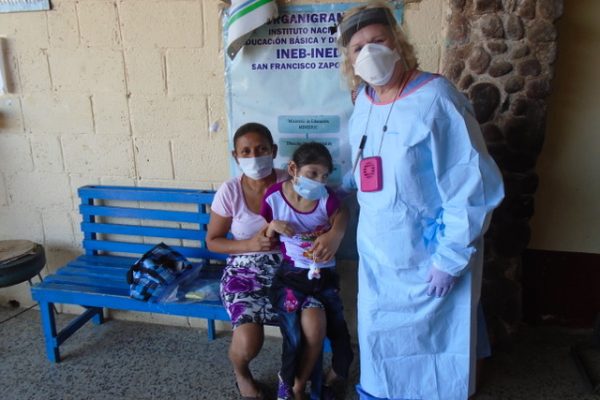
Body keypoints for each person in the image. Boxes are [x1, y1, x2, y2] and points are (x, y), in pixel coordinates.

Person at [335, 2, 505, 400]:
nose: (369, 52)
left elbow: (472, 185)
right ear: (349, 60)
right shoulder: (363, 101)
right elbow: (367, 162)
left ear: (399, 43)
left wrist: (450, 258)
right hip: (379, 257)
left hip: (428, 258)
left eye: (378, 40)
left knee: (435, 351)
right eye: (359, 47)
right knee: (381, 342)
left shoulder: (437, 98)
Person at [261, 142, 353, 400]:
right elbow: (265, 233)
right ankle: (288, 384)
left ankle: (332, 380)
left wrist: (336, 233)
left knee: (341, 336)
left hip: (324, 278)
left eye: (324, 176)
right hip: (292, 277)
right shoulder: (274, 198)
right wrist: (273, 227)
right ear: (293, 169)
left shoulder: (326, 199)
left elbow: (342, 213)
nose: (318, 181)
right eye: (312, 174)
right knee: (293, 337)